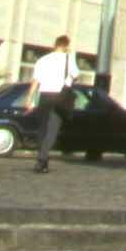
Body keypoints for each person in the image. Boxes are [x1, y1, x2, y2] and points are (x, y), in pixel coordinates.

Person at [28, 34, 78, 173]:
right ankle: (41, 160)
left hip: (44, 95)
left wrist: (29, 99)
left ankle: (42, 160)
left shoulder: (43, 60)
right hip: (60, 96)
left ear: (55, 44)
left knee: (42, 128)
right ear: (66, 45)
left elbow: (35, 81)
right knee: (52, 129)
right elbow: (75, 75)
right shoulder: (69, 59)